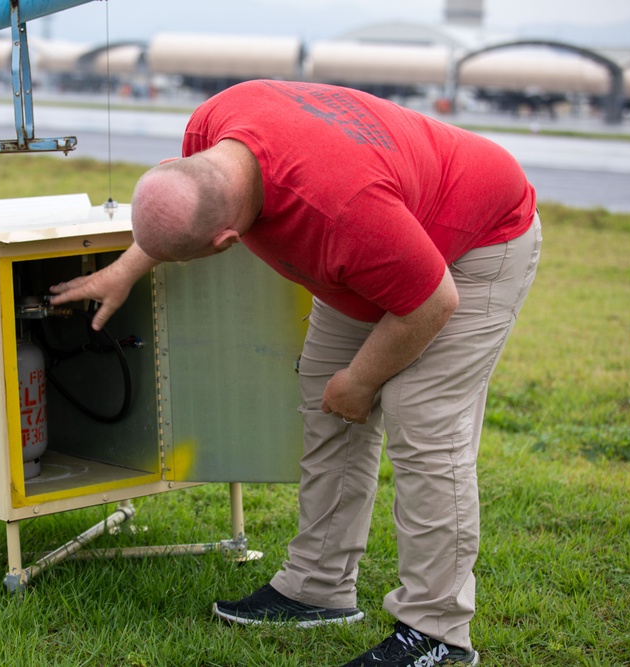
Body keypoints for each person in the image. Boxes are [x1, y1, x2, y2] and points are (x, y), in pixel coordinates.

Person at [49, 80, 541, 667]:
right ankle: (317, 586)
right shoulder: (209, 129)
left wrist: (361, 382)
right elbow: (186, 199)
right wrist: (126, 268)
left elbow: (432, 303)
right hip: (383, 239)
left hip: (475, 241)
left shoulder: (343, 213)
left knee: (424, 425)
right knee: (324, 404)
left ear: (227, 242)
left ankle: (438, 634)